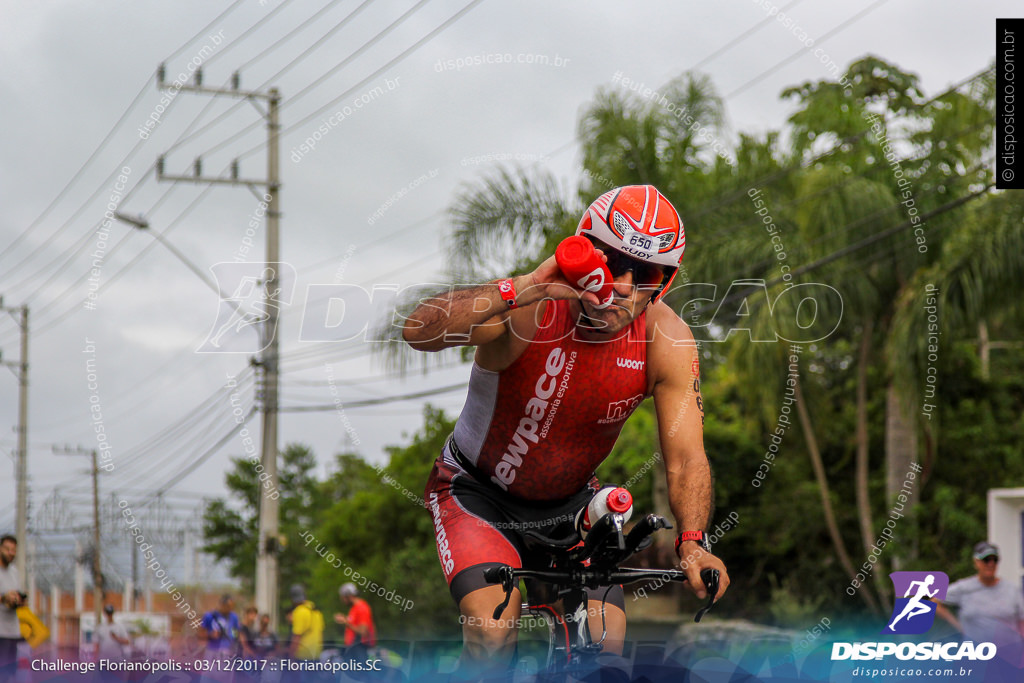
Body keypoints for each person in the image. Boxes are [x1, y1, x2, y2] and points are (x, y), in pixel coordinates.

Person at [403, 185, 730, 676]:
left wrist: (693, 540)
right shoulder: (530, 307)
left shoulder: (667, 340)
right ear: (582, 254)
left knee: (606, 648)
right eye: (612, 262)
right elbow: (417, 331)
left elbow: (686, 457)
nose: (622, 284)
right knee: (492, 635)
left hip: (571, 507)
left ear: (664, 282)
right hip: (476, 493)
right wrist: (521, 286)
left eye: (644, 275)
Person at [936, 541, 1024, 664]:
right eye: (986, 560)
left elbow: (1021, 622)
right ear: (976, 562)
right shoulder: (964, 588)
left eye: (995, 560)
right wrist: (957, 625)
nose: (991, 564)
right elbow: (935, 602)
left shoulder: (1012, 590)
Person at [0, 535, 23, 683]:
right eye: (7, 549)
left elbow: (19, 596)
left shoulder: (15, 572)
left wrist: (18, 600)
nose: (11, 553)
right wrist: (4, 598)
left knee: (9, 674)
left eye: (13, 550)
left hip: (12, 632)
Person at [333, 583, 376, 660]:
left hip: (360, 650)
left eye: (343, 597)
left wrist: (345, 622)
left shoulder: (361, 608)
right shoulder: (354, 608)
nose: (342, 600)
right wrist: (345, 619)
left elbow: (363, 632)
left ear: (348, 596)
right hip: (354, 649)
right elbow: (354, 624)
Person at [287, 584, 323, 662]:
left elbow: (296, 637)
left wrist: (291, 657)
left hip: (303, 657)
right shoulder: (316, 611)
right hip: (316, 655)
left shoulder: (299, 611)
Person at [199, 594, 240, 661]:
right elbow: (201, 633)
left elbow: (235, 633)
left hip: (227, 651)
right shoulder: (210, 616)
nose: (230, 609)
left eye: (232, 606)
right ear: (222, 605)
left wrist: (234, 642)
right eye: (228, 606)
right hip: (212, 650)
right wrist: (210, 634)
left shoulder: (233, 617)